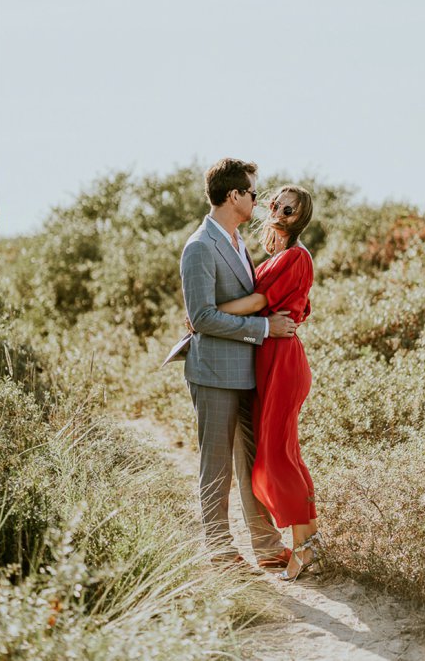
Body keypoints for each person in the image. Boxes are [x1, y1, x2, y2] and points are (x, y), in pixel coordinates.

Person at [179, 158, 297, 569]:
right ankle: (219, 550)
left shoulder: (234, 241)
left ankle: (265, 547)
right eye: (251, 192)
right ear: (233, 196)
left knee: (252, 460)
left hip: (247, 371)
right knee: (216, 465)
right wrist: (265, 330)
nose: (255, 199)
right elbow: (203, 318)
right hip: (212, 371)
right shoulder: (198, 247)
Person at [213, 185, 321, 580]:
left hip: (282, 361)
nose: (278, 210)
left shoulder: (294, 256)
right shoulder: (286, 256)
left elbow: (259, 303)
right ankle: (308, 542)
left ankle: (304, 546)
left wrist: (210, 312)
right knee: (283, 452)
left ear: (300, 216)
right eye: (275, 202)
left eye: (288, 208)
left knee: (275, 456)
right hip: (273, 357)